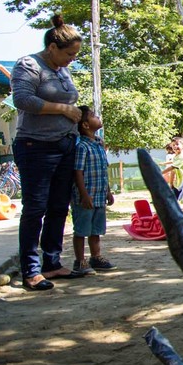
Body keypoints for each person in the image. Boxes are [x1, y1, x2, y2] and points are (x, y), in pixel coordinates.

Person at [10, 14, 89, 291]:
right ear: (52, 47)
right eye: (69, 54)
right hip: (36, 147)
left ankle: (52, 263)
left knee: (59, 207)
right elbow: (22, 99)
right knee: (35, 208)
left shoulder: (62, 69)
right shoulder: (29, 65)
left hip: (65, 145)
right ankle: (30, 270)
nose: (72, 59)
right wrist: (64, 109)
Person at [71, 106, 116, 274]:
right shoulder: (82, 147)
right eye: (93, 116)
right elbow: (78, 172)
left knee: (96, 229)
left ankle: (96, 257)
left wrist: (108, 191)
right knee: (82, 229)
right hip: (86, 197)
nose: (97, 117)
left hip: (99, 195)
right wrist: (84, 195)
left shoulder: (98, 144)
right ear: (85, 125)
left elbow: (104, 170)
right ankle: (80, 261)